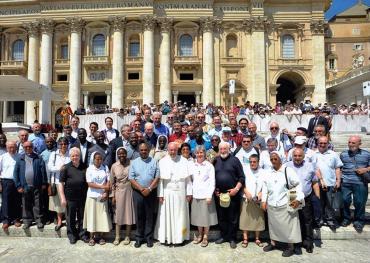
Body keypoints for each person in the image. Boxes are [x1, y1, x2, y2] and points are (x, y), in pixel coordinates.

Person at [261, 152, 304, 257]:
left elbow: (298, 184)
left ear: (280, 159)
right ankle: (273, 243)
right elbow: (265, 186)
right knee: (273, 226)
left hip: (285, 202)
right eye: (271, 159)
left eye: (275, 159)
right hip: (272, 203)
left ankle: (290, 247)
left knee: (289, 227)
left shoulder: (288, 171)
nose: (273, 161)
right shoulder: (268, 172)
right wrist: (263, 200)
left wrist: (298, 199)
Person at [155, 142, 192, 245]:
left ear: (177, 150)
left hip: (181, 193)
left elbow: (188, 179)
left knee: (181, 216)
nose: (172, 152)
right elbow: (160, 181)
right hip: (167, 192)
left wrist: (189, 193)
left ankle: (181, 237)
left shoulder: (184, 161)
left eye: (174, 150)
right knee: (166, 215)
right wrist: (160, 195)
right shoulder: (162, 161)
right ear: (168, 150)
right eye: (171, 150)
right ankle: (167, 237)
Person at [286, 148, 320, 253]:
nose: (297, 158)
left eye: (299, 156)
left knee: (307, 220)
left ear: (303, 156)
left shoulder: (310, 166)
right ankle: (296, 242)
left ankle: (308, 242)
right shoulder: (286, 166)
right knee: (294, 220)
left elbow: (314, 182)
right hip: (292, 196)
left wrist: (318, 196)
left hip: (306, 197)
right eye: (295, 156)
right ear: (292, 156)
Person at [213, 142, 245, 249]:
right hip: (219, 195)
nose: (223, 151)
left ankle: (232, 238)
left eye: (225, 149)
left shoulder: (235, 160)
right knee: (222, 217)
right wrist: (214, 191)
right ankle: (224, 236)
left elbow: (241, 177)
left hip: (232, 194)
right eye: (221, 149)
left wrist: (236, 189)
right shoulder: (215, 160)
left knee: (232, 218)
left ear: (229, 149)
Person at [129, 143, 159, 248]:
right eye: (141, 150)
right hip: (138, 193)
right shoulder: (134, 163)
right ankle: (139, 238)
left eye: (145, 150)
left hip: (151, 193)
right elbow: (131, 178)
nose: (143, 152)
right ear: (139, 150)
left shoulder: (154, 161)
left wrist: (149, 188)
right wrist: (141, 189)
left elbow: (157, 177)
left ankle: (149, 238)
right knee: (139, 216)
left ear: (148, 150)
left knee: (149, 216)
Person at [13, 141, 48, 229]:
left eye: (29, 147)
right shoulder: (20, 159)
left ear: (32, 147)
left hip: (37, 185)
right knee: (26, 204)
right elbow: (15, 173)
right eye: (26, 147)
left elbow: (43, 171)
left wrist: (44, 182)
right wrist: (18, 186)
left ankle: (38, 220)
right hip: (25, 186)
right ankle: (27, 221)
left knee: (38, 203)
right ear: (23, 148)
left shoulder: (38, 157)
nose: (28, 148)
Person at [340, 135, 370, 233]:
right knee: (344, 201)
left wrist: (365, 169)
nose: (350, 144)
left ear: (359, 144)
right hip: (346, 182)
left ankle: (359, 221)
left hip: (360, 182)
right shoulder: (343, 154)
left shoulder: (367, 154)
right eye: (349, 142)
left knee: (360, 202)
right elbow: (339, 167)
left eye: (353, 143)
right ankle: (346, 218)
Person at [59, 147, 89, 244]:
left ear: (80, 156)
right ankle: (72, 235)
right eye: (73, 156)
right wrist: (63, 198)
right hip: (70, 197)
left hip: (82, 197)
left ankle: (83, 234)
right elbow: (61, 183)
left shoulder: (85, 167)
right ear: (70, 156)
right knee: (70, 217)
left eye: (76, 155)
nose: (75, 157)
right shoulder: (65, 167)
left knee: (82, 217)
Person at [190, 145, 217, 247]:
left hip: (206, 195)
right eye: (198, 153)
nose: (199, 154)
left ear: (204, 153)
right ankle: (200, 235)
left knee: (206, 217)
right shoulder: (192, 166)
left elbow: (212, 181)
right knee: (198, 217)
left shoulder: (209, 166)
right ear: (195, 154)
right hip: (196, 195)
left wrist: (209, 195)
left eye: (201, 152)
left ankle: (205, 236)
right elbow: (190, 181)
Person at [83, 152, 112, 246]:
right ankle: (92, 237)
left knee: (102, 217)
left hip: (102, 197)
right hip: (92, 196)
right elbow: (90, 184)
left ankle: (101, 236)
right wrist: (102, 187)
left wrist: (106, 192)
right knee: (92, 217)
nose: (99, 160)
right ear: (93, 159)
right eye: (97, 159)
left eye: (100, 159)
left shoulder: (105, 167)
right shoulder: (89, 169)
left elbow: (108, 181)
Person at [315, 136, 343, 231]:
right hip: (316, 184)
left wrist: (338, 180)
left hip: (330, 182)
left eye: (325, 143)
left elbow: (337, 168)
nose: (322, 145)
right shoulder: (313, 154)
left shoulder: (333, 154)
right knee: (319, 203)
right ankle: (320, 220)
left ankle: (330, 220)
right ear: (317, 143)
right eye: (320, 143)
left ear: (328, 144)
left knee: (329, 204)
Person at [239, 154, 265, 248]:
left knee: (258, 219)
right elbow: (241, 182)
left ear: (258, 162)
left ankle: (257, 238)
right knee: (245, 218)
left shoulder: (263, 172)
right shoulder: (245, 170)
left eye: (254, 162)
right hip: (247, 197)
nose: (252, 163)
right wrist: (246, 192)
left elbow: (266, 184)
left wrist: (261, 193)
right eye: (251, 162)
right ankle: (245, 238)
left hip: (258, 199)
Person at [111, 147, 136, 245]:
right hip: (119, 191)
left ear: (127, 154)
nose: (122, 155)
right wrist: (112, 196)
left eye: (124, 153)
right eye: (120, 154)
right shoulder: (114, 166)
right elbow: (112, 182)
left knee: (128, 213)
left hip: (130, 190)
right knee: (118, 214)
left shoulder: (132, 163)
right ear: (117, 155)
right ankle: (117, 236)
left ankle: (127, 236)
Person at [48, 137, 70, 231]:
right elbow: (49, 167)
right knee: (58, 203)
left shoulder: (70, 153)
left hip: (69, 182)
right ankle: (60, 220)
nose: (63, 146)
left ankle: (69, 221)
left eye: (65, 144)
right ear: (58, 145)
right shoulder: (54, 154)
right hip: (57, 181)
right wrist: (60, 168)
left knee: (68, 202)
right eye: (61, 144)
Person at [0, 141, 22, 230]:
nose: (12, 149)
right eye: (9, 147)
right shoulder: (2, 157)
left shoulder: (20, 157)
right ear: (6, 147)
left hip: (17, 182)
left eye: (13, 147)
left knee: (17, 201)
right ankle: (6, 220)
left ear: (16, 147)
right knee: (6, 201)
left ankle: (16, 219)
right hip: (6, 181)